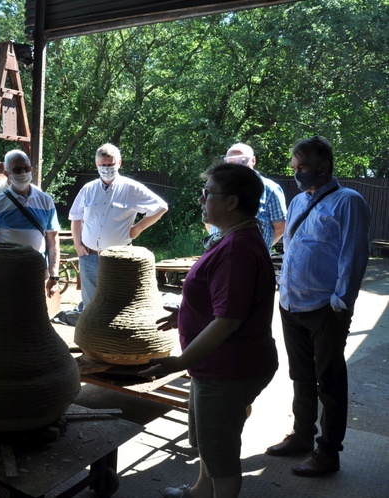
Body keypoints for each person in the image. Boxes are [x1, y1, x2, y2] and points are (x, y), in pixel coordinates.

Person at [142, 163, 278, 498]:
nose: (202, 198)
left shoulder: (237, 249)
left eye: (209, 193)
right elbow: (222, 303)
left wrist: (178, 362)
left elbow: (228, 321)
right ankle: (202, 491)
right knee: (209, 438)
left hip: (228, 369)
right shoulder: (235, 237)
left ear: (231, 202)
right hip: (219, 366)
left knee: (221, 452)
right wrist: (186, 314)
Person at [266, 136, 371, 477]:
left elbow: (353, 254)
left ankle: (328, 452)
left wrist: (341, 302)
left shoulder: (348, 201)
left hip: (325, 308)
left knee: (329, 379)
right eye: (294, 167)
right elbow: (293, 247)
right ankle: (301, 436)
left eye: (303, 167)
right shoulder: (297, 202)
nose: (297, 173)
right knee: (300, 376)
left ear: (324, 167)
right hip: (291, 304)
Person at [69, 143, 168, 308]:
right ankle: (90, 334)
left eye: (110, 164)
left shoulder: (131, 188)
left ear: (119, 163)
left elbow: (161, 207)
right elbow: (75, 217)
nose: (107, 168)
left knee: (117, 304)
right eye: (103, 165)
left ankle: (112, 335)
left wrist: (136, 230)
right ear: (96, 164)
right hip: (89, 256)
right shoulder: (88, 189)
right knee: (90, 306)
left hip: (118, 258)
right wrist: (77, 245)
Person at [0, 150, 60, 298]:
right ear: (7, 173)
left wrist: (54, 275)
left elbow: (53, 240)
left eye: (27, 168)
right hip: (5, 274)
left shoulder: (46, 200)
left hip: (36, 272)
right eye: (17, 169)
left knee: (33, 316)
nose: (23, 172)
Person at [206, 143, 287, 250]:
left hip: (253, 257)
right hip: (219, 254)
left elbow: (280, 226)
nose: (236, 165)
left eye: (242, 160)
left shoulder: (270, 188)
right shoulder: (216, 186)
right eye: (231, 161)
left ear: (253, 160)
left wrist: (259, 246)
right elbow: (208, 220)